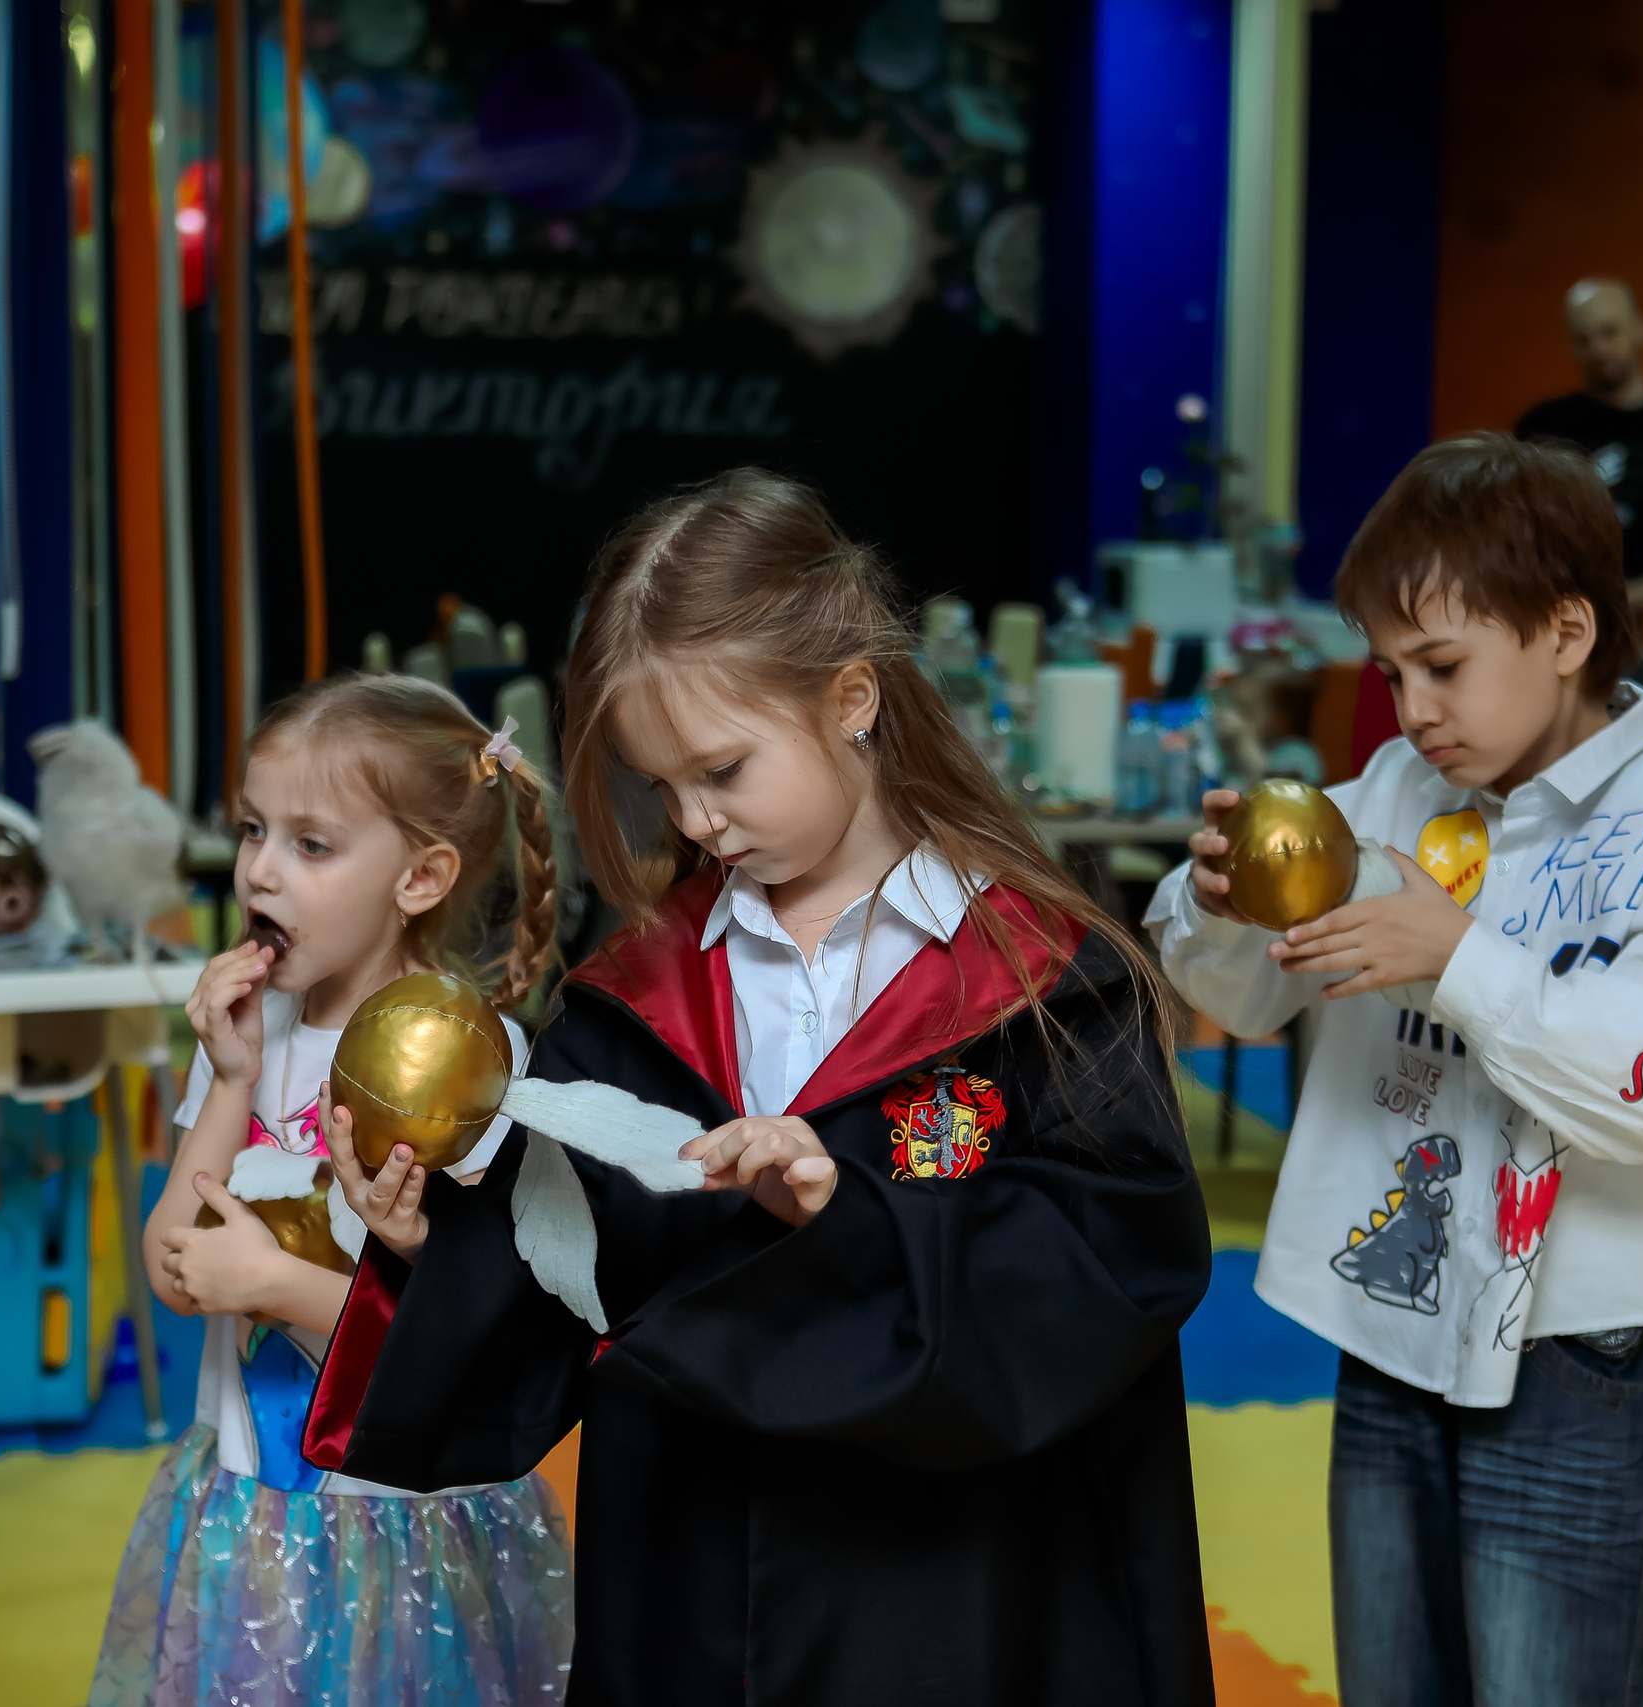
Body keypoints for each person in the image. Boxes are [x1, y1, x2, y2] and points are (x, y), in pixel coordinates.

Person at [309, 469, 1216, 1707]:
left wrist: (853, 1212)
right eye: (663, 785)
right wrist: (433, 1235)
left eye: (724, 771)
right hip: (696, 1574)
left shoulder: (1045, 984)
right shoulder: (639, 994)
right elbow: (567, 1276)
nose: (696, 818)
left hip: (952, 1583)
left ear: (852, 699)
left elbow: (1112, 1265)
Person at [1147, 434, 1643, 1706]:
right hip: (1394, 1328)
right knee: (1396, 1678)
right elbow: (1240, 989)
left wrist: (1461, 958)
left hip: (1585, 1351)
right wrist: (1215, 901)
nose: (1411, 711)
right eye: (1390, 673)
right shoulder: (1390, 794)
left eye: (1442, 666)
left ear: (1563, 633)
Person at [88, 676, 574, 1705]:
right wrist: (226, 1079)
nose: (260, 871)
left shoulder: (468, 1063)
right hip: (249, 1513)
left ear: (421, 876)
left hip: (399, 1525)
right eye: (254, 831)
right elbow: (175, 1271)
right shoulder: (244, 1042)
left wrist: (273, 1283)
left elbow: (469, 1339)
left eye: (311, 846)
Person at [1515, 278, 1643, 615]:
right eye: (1583, 339)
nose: (1597, 349)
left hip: (1621, 633)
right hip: (1533, 616)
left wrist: (1602, 604)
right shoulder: (1541, 424)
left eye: (1609, 332)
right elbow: (1507, 530)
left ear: (1642, 330)